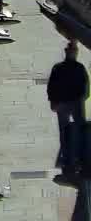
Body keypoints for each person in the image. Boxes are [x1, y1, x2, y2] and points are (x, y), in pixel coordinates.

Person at [52, 41, 89, 175]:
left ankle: (75, 156)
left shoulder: (75, 67)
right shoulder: (66, 67)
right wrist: (54, 101)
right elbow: (53, 85)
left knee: (77, 129)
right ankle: (69, 156)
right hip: (67, 103)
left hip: (73, 102)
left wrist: (81, 99)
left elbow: (85, 87)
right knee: (66, 130)